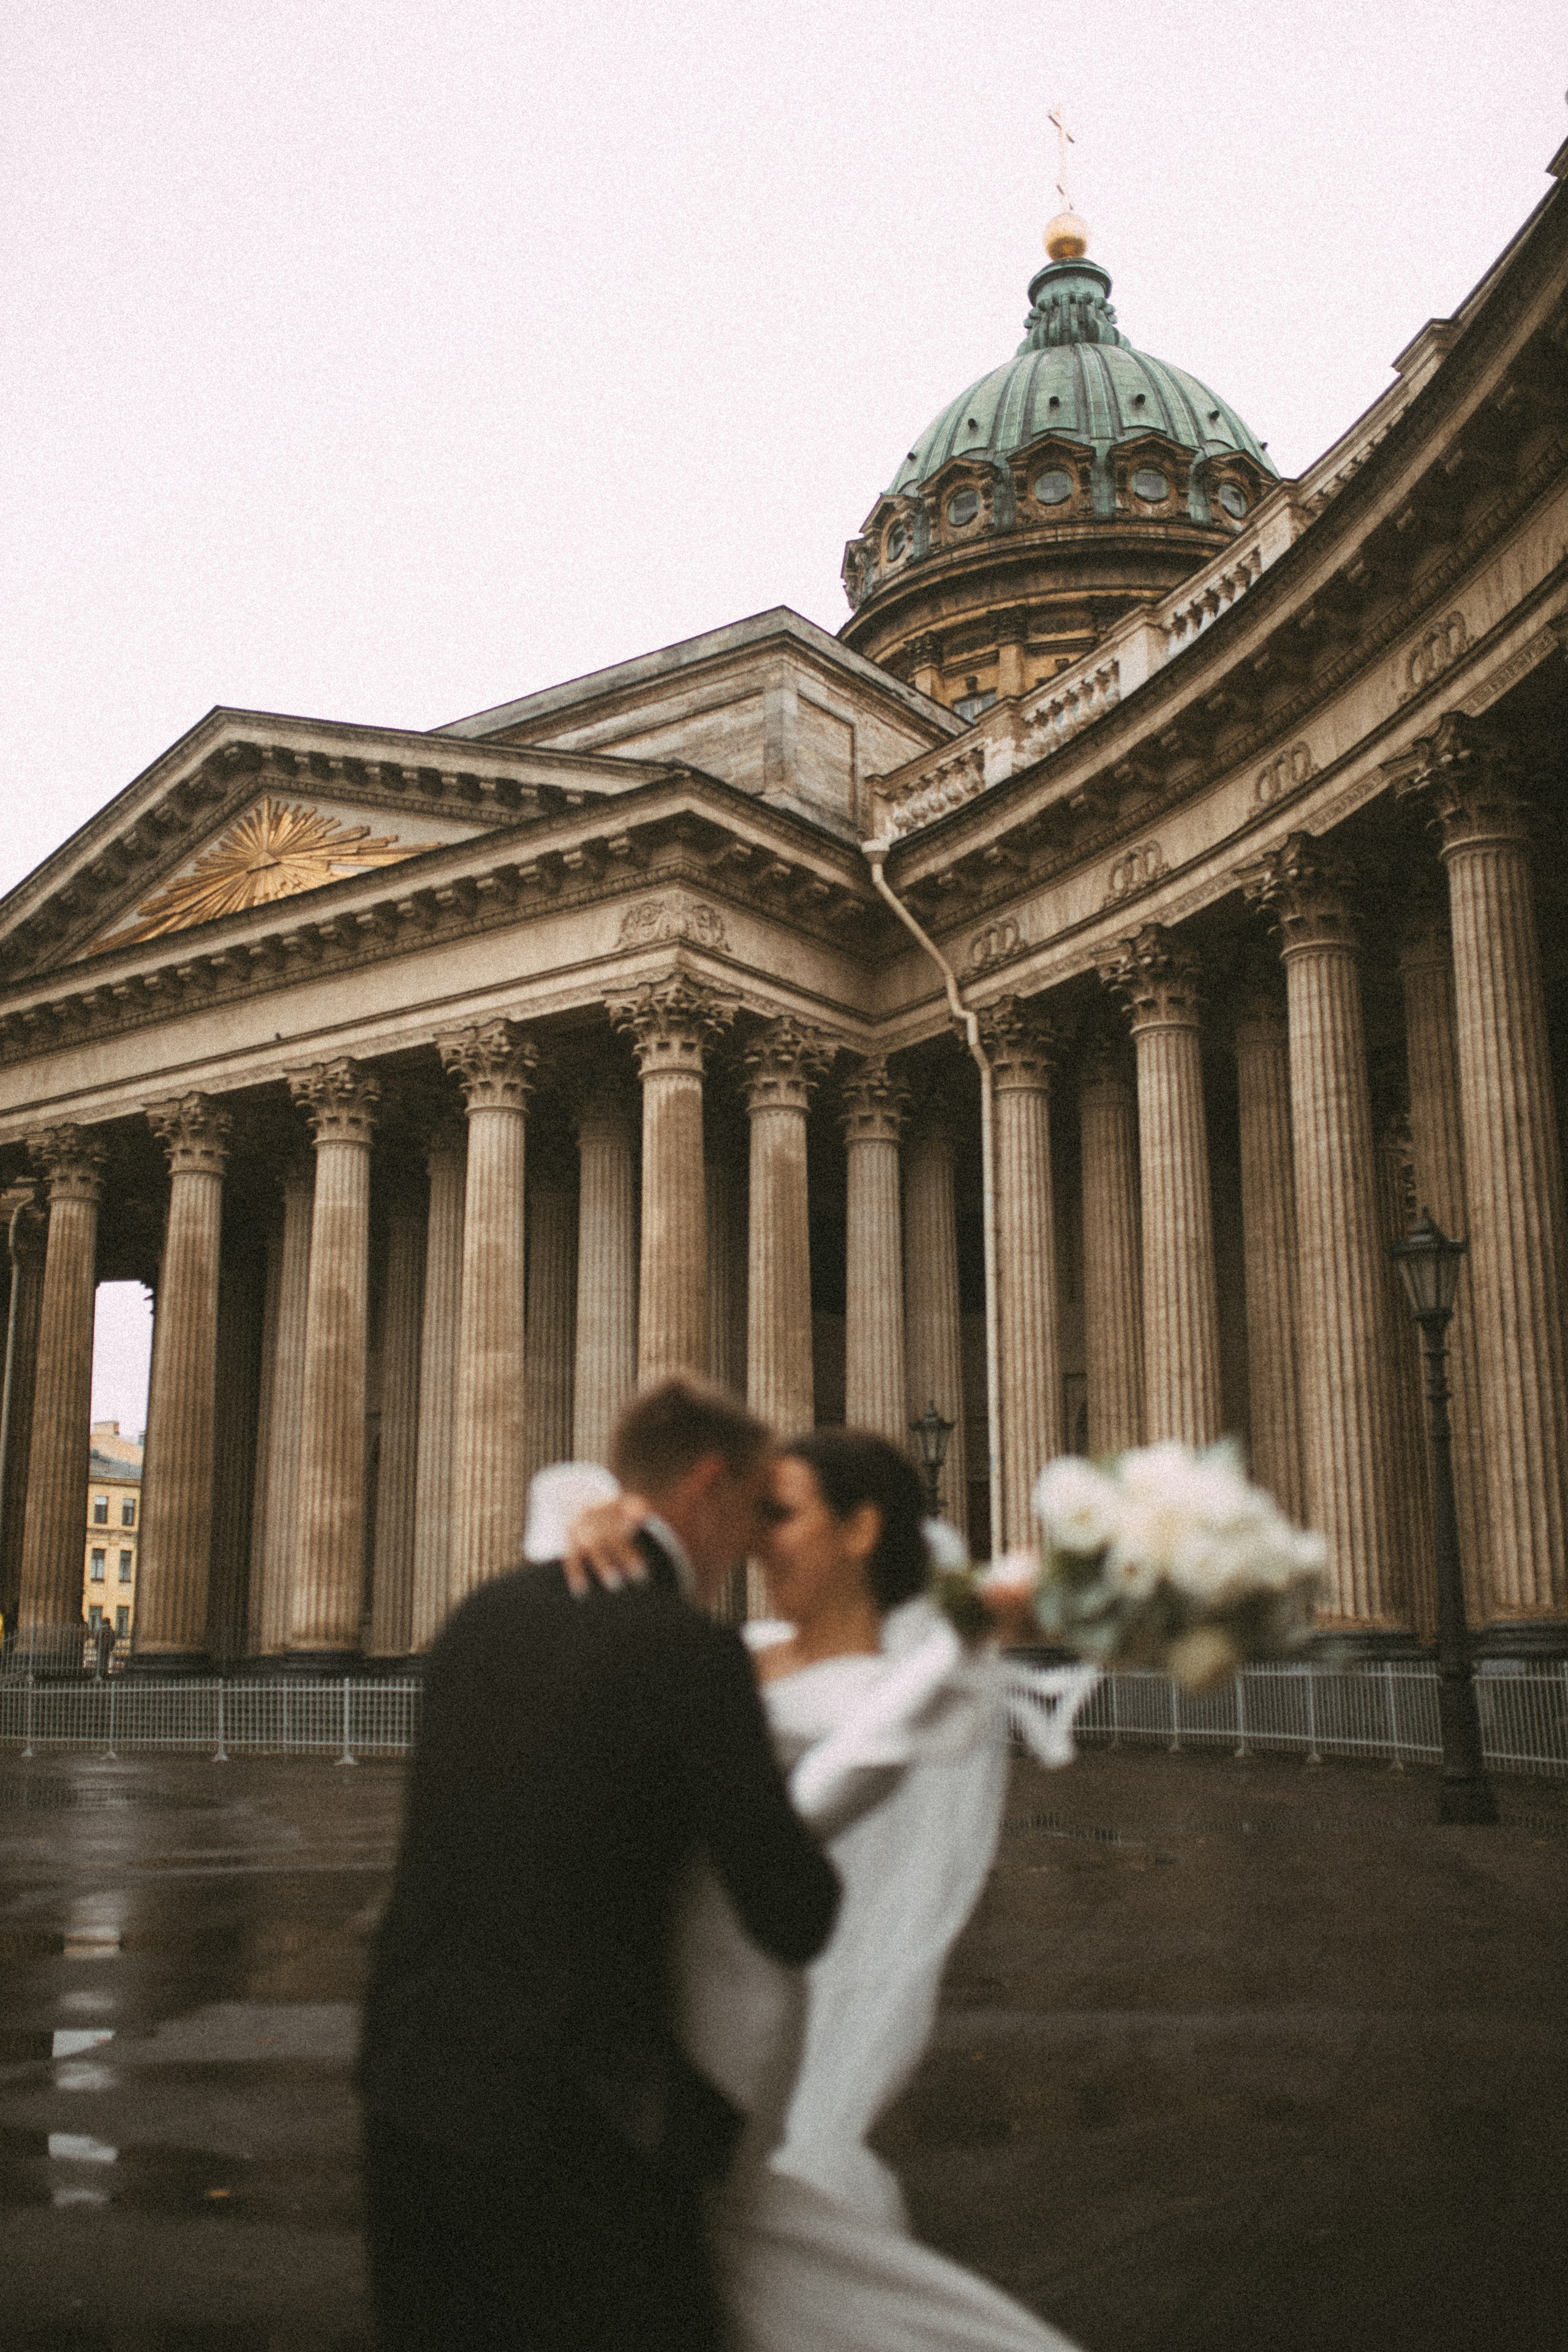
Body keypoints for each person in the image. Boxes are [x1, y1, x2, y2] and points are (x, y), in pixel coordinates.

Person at [562, 1428, 1085, 2352]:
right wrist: (604, 1522)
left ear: (860, 1530)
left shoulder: (885, 1692)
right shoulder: (752, 1646)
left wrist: (976, 1628)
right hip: (650, 2002)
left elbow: (828, 1792)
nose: (758, 1543)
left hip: (716, 2007)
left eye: (783, 1515)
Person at [358, 1376, 842, 2352]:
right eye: (750, 1512)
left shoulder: (480, 1619)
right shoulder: (686, 1655)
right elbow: (791, 1910)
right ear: (705, 1485)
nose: (749, 1546)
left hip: (404, 2096)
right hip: (574, 2132)